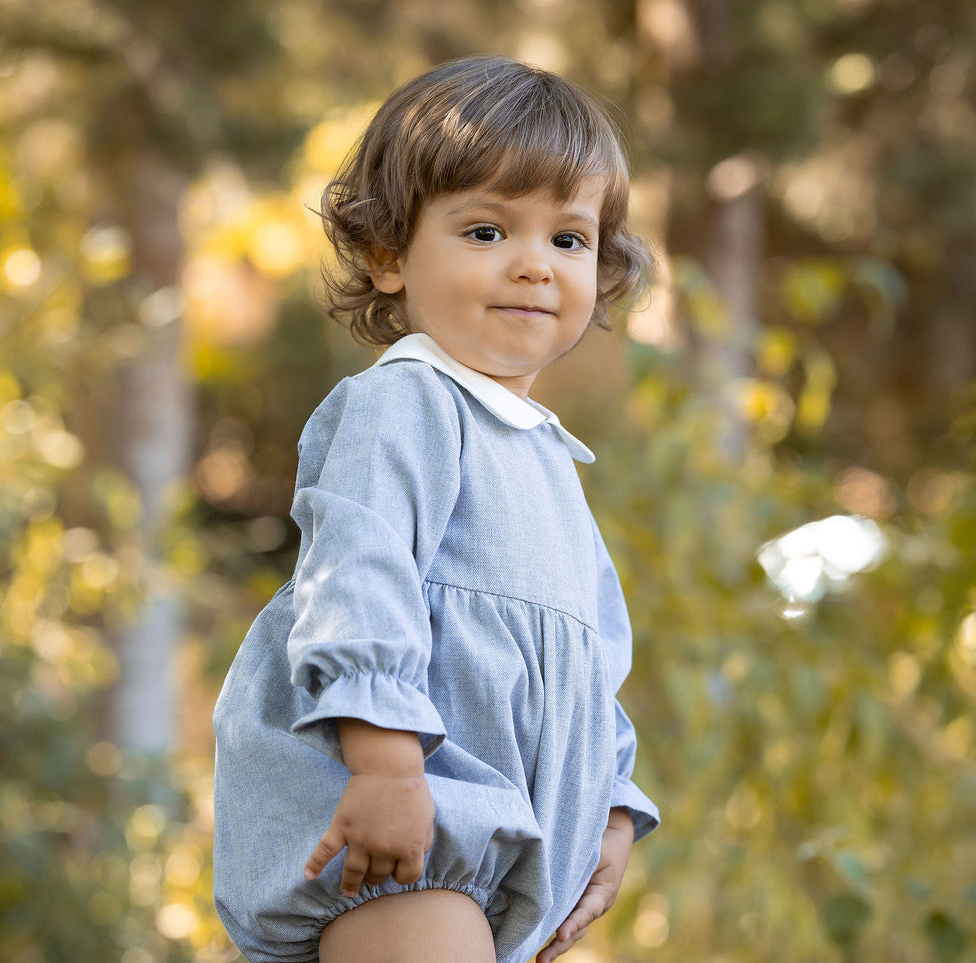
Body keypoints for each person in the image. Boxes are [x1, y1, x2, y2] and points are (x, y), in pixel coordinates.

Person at [212, 55, 660, 963]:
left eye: (567, 240)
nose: (535, 265)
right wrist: (384, 765)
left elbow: (589, 657)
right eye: (489, 230)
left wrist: (611, 807)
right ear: (387, 256)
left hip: (499, 848)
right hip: (400, 829)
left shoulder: (545, 454)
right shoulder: (407, 400)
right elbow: (359, 574)